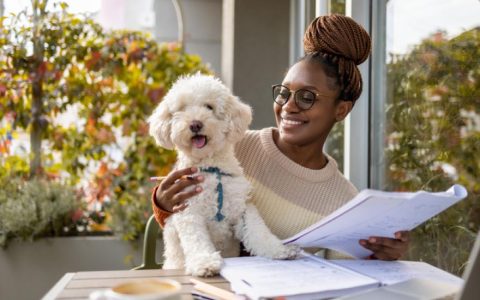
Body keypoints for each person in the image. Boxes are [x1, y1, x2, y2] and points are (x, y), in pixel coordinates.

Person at [151, 14, 409, 260]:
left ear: (341, 109)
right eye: (284, 93)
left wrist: (379, 254)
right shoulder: (231, 146)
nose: (288, 106)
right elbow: (181, 220)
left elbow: (346, 271)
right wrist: (162, 204)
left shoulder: (343, 199)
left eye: (307, 97)